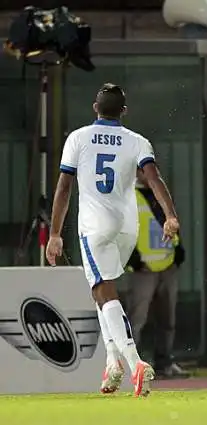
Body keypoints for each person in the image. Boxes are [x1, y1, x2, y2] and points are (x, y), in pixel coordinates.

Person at [45, 83, 180, 397]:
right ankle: (112, 363)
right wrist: (170, 215)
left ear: (95, 107)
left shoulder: (77, 138)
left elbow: (64, 188)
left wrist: (54, 234)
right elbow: (153, 179)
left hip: (95, 226)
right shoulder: (137, 141)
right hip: (127, 228)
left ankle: (135, 363)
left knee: (103, 291)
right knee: (102, 293)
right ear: (124, 112)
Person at [125, 169, 188, 378]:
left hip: (167, 264)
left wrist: (178, 249)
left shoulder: (161, 192)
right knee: (137, 318)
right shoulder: (128, 196)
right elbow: (123, 230)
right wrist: (133, 259)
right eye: (145, 169)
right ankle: (129, 365)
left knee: (167, 318)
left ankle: (164, 362)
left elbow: (172, 223)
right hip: (143, 268)